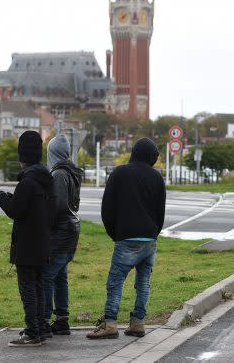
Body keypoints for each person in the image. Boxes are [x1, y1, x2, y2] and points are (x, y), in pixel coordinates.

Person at [87, 138, 166, 340]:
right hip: (149, 238)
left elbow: (107, 209)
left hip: (126, 237)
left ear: (134, 152)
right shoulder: (157, 178)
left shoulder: (120, 173)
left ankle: (110, 323)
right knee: (143, 282)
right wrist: (153, 233)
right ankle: (138, 322)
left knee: (115, 281)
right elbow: (160, 213)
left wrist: (115, 233)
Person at [0, 131, 54, 347]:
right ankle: (40, 327)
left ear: (23, 155)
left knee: (28, 289)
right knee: (38, 287)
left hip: (27, 246)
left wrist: (1, 197)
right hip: (43, 243)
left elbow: (15, 211)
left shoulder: (27, 182)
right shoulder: (46, 180)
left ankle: (32, 332)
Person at [43, 134, 82, 336]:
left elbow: (57, 206)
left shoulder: (58, 174)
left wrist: (45, 222)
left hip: (61, 231)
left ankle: (45, 319)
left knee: (47, 275)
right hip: (71, 229)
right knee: (60, 277)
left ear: (53, 153)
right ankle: (62, 319)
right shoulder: (72, 172)